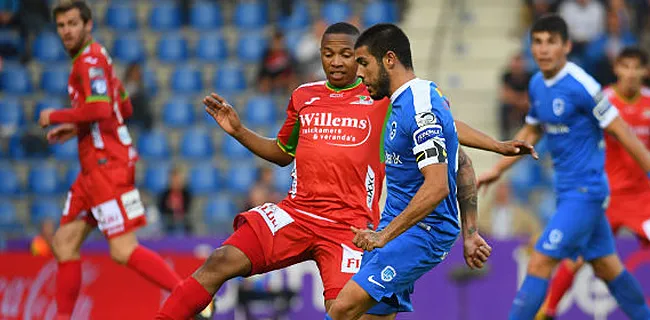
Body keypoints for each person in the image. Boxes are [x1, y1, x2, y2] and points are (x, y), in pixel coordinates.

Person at [155, 22, 535, 320]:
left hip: (349, 226)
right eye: (328, 54)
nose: (337, 62)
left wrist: (496, 145)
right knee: (220, 261)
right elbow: (281, 152)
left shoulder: (383, 96)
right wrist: (239, 131)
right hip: (296, 212)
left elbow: (445, 123)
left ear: (362, 59)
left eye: (347, 55)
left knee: (349, 311)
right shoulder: (304, 96)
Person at [477, 15, 650, 320]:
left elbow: (623, 132)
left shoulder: (583, 85)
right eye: (537, 42)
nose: (543, 50)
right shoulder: (537, 83)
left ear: (566, 46)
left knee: (540, 261)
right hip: (568, 192)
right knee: (607, 266)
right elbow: (531, 131)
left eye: (551, 42)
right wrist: (498, 169)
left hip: (586, 193)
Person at [325, 23, 491, 320]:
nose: (358, 73)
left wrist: (383, 236)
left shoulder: (419, 106)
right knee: (370, 317)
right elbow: (462, 163)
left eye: (363, 62)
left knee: (342, 309)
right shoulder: (401, 104)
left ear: (389, 59)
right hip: (397, 228)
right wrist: (471, 232)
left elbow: (438, 185)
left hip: (422, 233)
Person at [36, 2, 181, 319]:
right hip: (94, 168)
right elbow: (122, 109)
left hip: (106, 167)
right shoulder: (100, 59)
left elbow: (101, 110)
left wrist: (55, 114)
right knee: (64, 243)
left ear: (88, 25)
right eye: (61, 26)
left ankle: (191, 296)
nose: (67, 31)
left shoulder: (89, 62)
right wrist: (76, 127)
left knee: (122, 249)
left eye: (73, 23)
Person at [537, 47, 650, 319]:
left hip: (643, 198)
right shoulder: (603, 101)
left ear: (645, 71)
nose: (631, 73)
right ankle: (548, 310)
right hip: (606, 196)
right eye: (626, 66)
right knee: (576, 255)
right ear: (617, 69)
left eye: (637, 67)